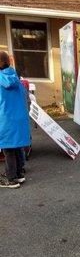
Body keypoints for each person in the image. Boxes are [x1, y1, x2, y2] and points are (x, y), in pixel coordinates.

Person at [0, 51, 30, 188]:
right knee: (16, 147)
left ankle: (11, 179)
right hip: (19, 119)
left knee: (8, 149)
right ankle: (18, 175)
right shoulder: (16, 77)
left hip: (5, 118)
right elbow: (25, 97)